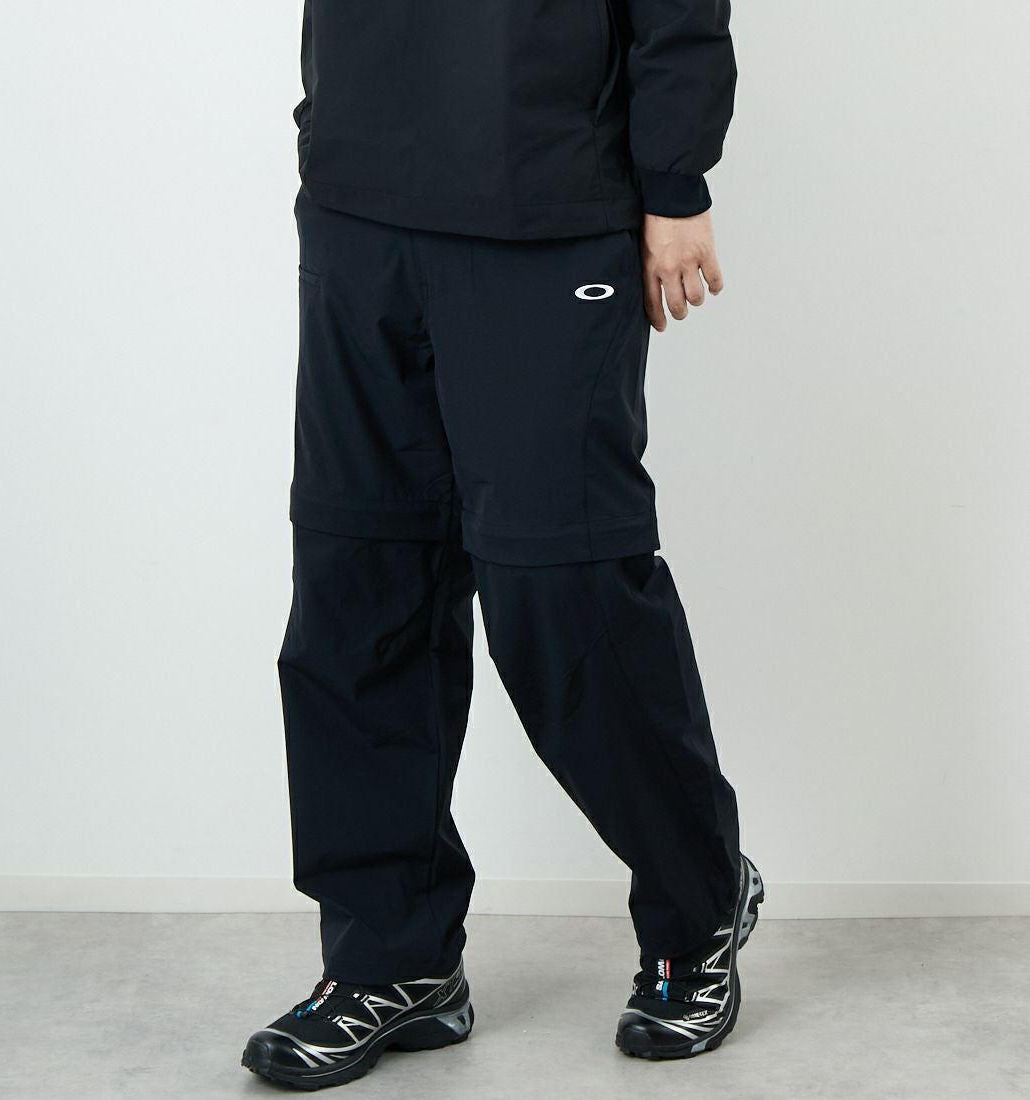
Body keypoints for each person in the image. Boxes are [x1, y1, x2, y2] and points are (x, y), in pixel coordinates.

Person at [242, 0, 763, 1088]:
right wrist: (325, 126)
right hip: (358, 204)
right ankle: (392, 957)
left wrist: (673, 181)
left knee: (564, 588)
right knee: (357, 584)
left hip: (549, 204)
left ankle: (698, 903)